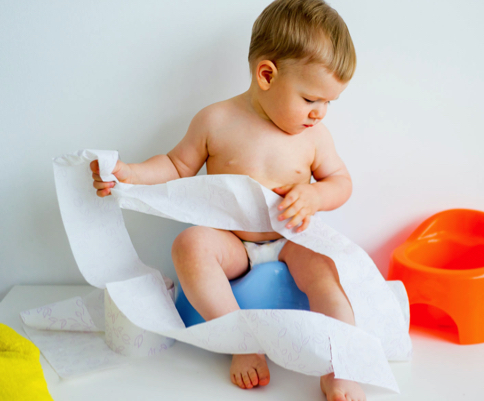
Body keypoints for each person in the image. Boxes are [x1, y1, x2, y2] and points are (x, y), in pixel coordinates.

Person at [90, 1, 364, 400]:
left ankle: (342, 363)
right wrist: (131, 174)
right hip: (232, 244)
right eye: (310, 100)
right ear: (267, 75)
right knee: (190, 244)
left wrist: (314, 194)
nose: (320, 113)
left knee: (327, 270)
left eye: (328, 103)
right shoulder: (216, 121)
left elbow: (340, 182)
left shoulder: (314, 137)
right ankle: (241, 342)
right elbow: (175, 164)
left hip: (289, 242)